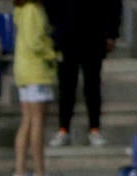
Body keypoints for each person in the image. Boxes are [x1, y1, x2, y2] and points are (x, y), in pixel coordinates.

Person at [46, 0, 119, 148]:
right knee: (66, 86)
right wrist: (57, 24)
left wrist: (112, 33)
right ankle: (63, 129)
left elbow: (114, 5)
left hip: (94, 34)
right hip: (66, 35)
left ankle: (94, 129)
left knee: (92, 86)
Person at [10, 0, 58, 176]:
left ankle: (20, 173)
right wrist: (52, 53)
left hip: (24, 72)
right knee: (37, 121)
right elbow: (34, 42)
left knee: (28, 121)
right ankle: (39, 174)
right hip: (36, 72)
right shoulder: (32, 10)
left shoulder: (22, 9)